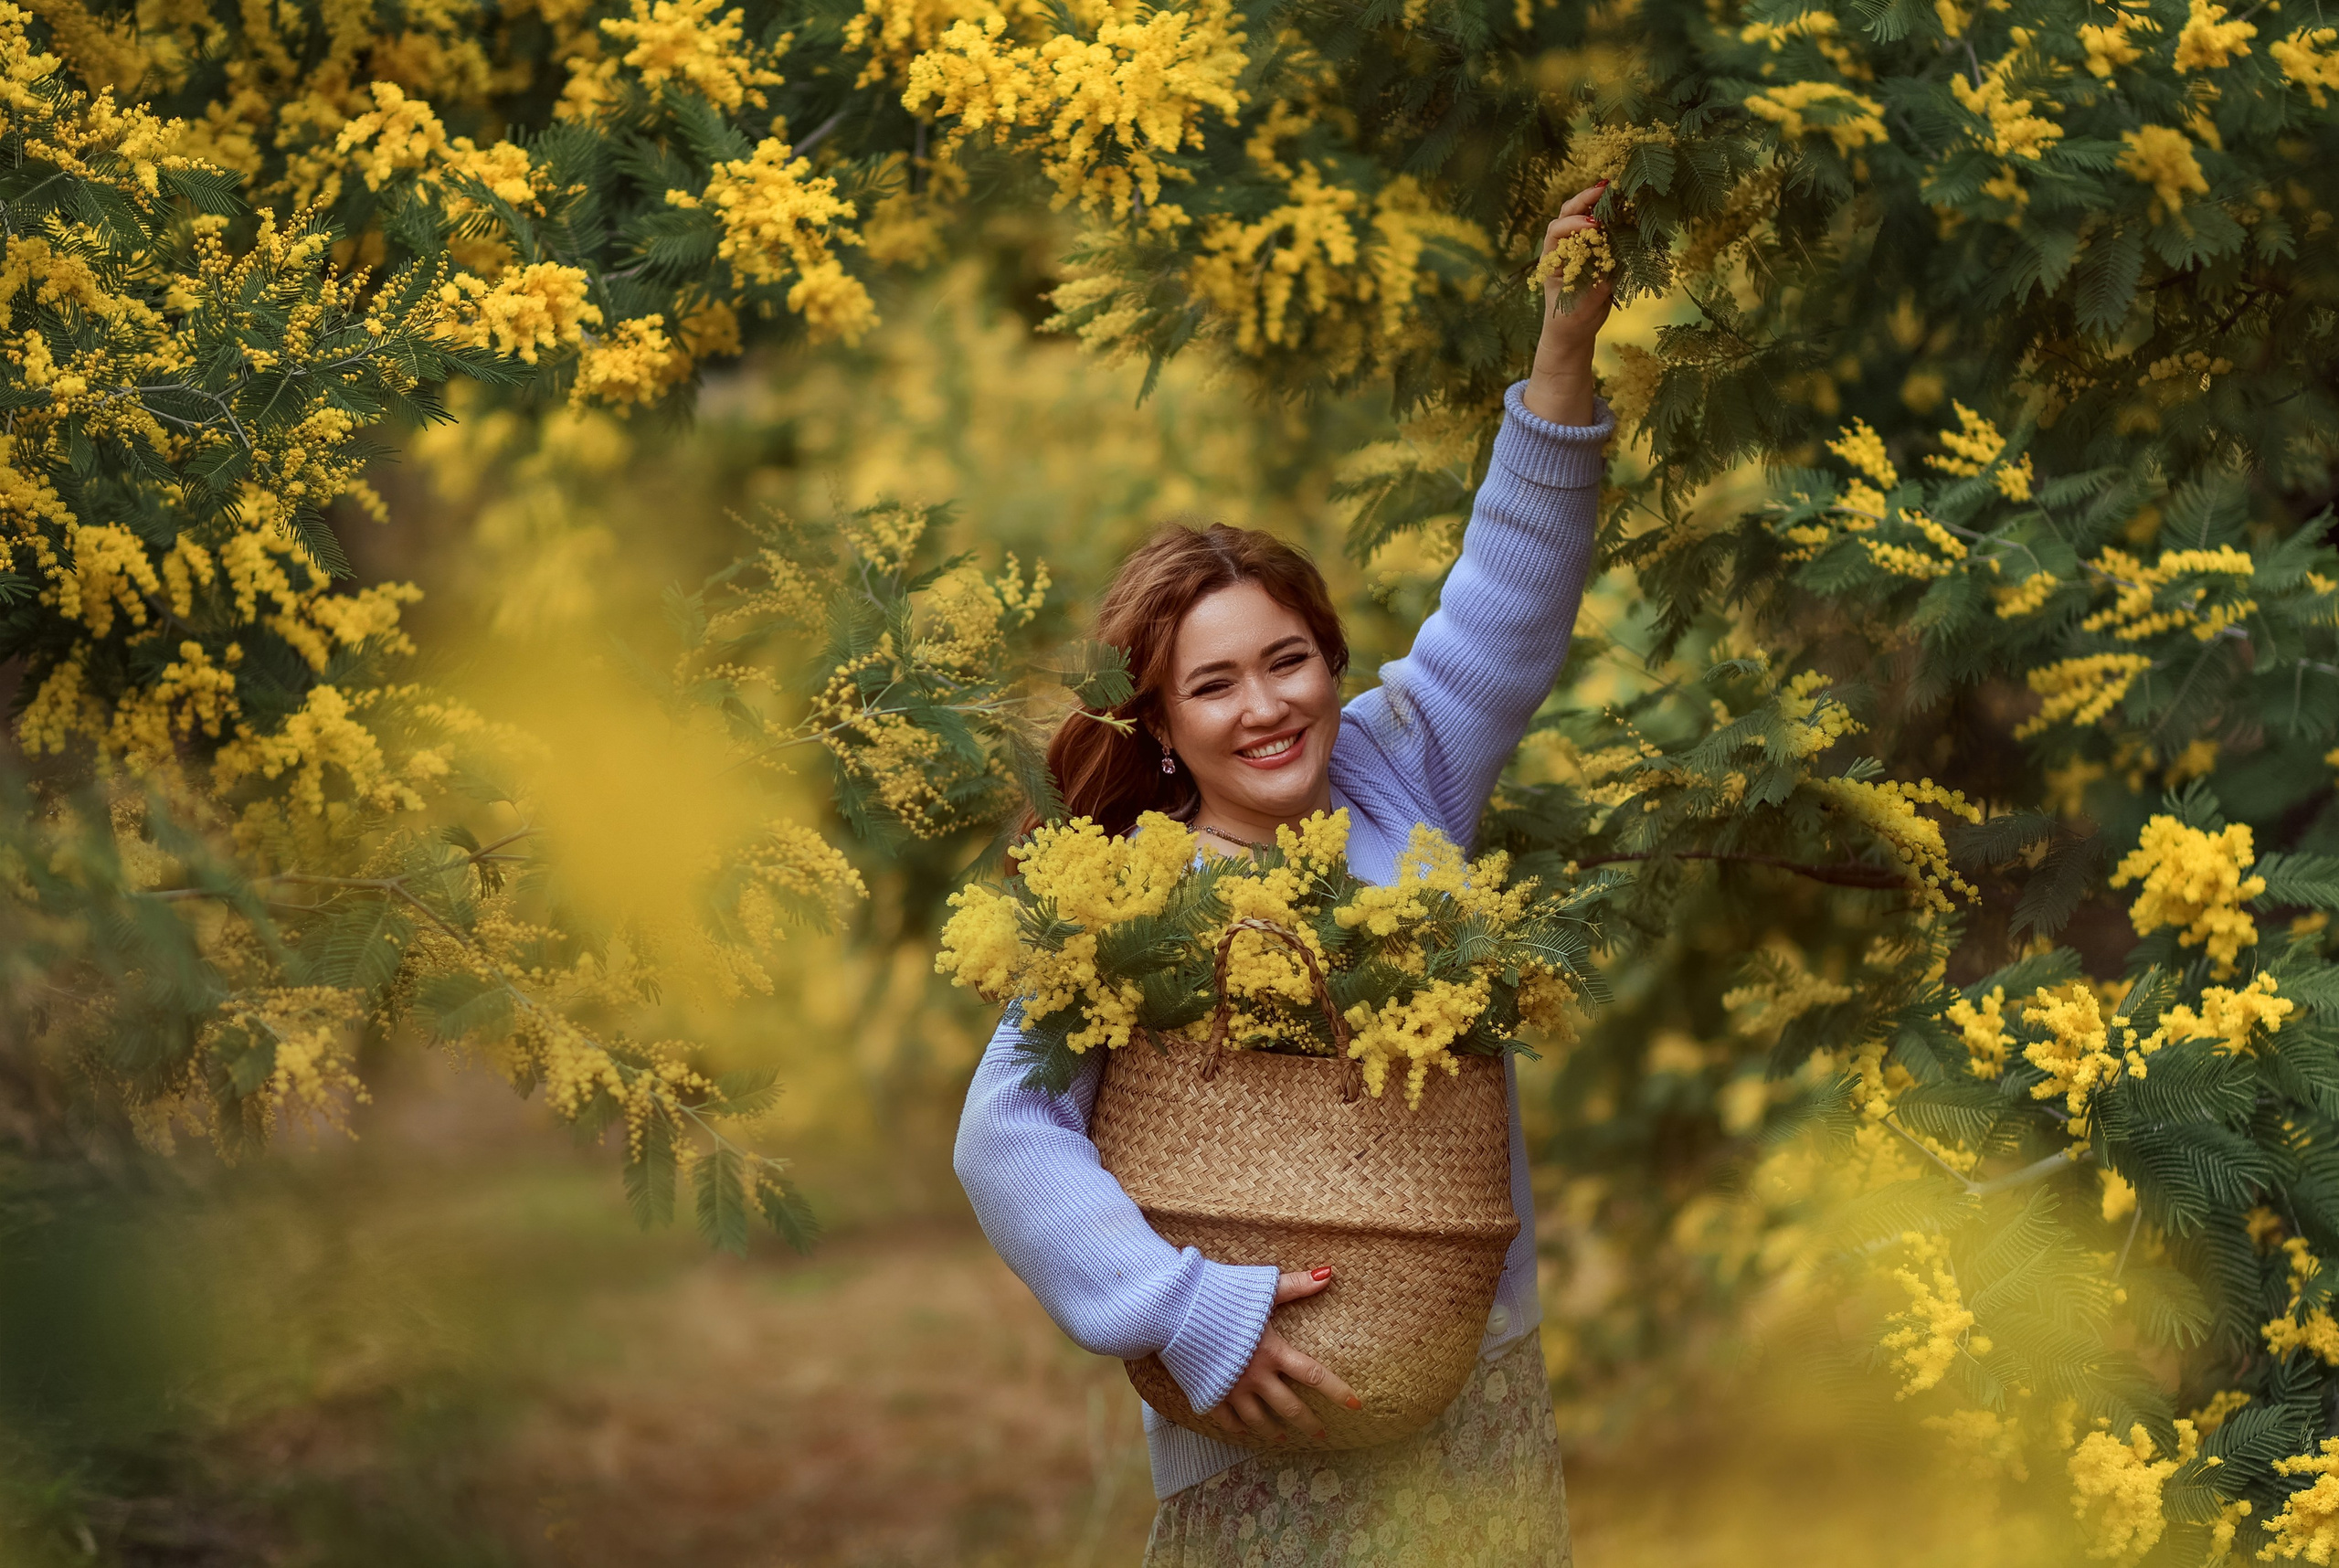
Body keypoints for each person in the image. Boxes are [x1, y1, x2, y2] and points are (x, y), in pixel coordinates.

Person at [954, 184, 1616, 1566]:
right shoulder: (1120, 896)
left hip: (1475, 1400)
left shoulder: (1400, 774)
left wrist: (1562, 356)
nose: (1265, 706)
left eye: (1288, 660)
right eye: (1214, 683)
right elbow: (1005, 1135)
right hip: (1258, 1437)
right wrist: (1177, 1312)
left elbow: (1507, 591)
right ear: (1164, 724)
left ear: (1332, 660)